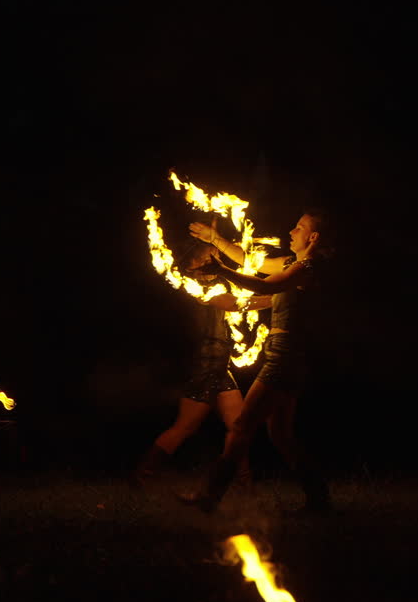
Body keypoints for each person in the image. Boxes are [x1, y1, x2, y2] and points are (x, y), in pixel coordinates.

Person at [177, 209, 335, 514]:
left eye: (299, 227)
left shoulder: (305, 268)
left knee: (240, 426)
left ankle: (210, 497)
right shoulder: (293, 263)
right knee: (281, 435)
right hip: (284, 355)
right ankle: (320, 500)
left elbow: (265, 285)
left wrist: (221, 271)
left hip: (285, 358)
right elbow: (252, 261)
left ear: (312, 238)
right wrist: (216, 239)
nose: (291, 231)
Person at [132, 242, 270, 488]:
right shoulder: (192, 286)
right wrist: (276, 298)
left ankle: (244, 483)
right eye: (212, 255)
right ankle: (143, 475)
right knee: (185, 427)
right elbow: (233, 303)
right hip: (204, 368)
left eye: (217, 255)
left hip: (221, 367)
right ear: (193, 263)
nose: (217, 260)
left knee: (239, 426)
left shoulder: (214, 283)